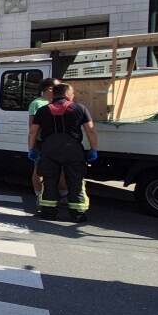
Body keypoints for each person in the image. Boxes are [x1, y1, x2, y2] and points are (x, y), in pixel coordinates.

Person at [28, 83, 98, 222]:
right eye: (72, 94)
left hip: (49, 149)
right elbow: (90, 130)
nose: (73, 96)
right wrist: (93, 149)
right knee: (75, 181)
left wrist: (32, 149)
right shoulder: (80, 108)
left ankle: (48, 212)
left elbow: (33, 131)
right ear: (68, 94)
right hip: (73, 150)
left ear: (53, 94)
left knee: (49, 181)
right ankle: (77, 214)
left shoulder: (43, 110)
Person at [29, 78, 59, 198]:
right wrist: (31, 147)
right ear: (49, 89)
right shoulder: (37, 103)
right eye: (57, 87)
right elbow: (32, 128)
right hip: (41, 142)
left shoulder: (58, 102)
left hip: (56, 142)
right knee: (39, 169)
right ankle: (38, 195)